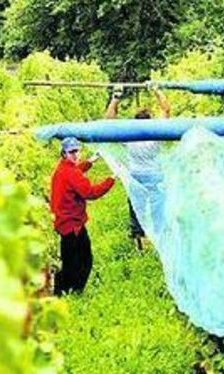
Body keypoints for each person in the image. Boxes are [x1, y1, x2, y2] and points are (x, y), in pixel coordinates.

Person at [105, 85, 170, 250]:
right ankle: (158, 239)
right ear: (150, 121)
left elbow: (109, 122)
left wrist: (116, 97)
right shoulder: (156, 134)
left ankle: (138, 240)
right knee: (157, 208)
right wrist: (157, 90)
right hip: (155, 176)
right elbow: (167, 110)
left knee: (136, 207)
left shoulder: (130, 136)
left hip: (136, 176)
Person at [50, 137, 115, 295]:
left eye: (77, 151)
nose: (75, 155)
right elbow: (90, 193)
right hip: (73, 224)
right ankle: (73, 292)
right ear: (64, 153)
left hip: (63, 222)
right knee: (83, 261)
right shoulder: (71, 173)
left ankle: (62, 291)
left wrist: (90, 162)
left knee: (70, 259)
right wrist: (111, 180)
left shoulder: (62, 169)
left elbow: (76, 171)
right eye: (71, 152)